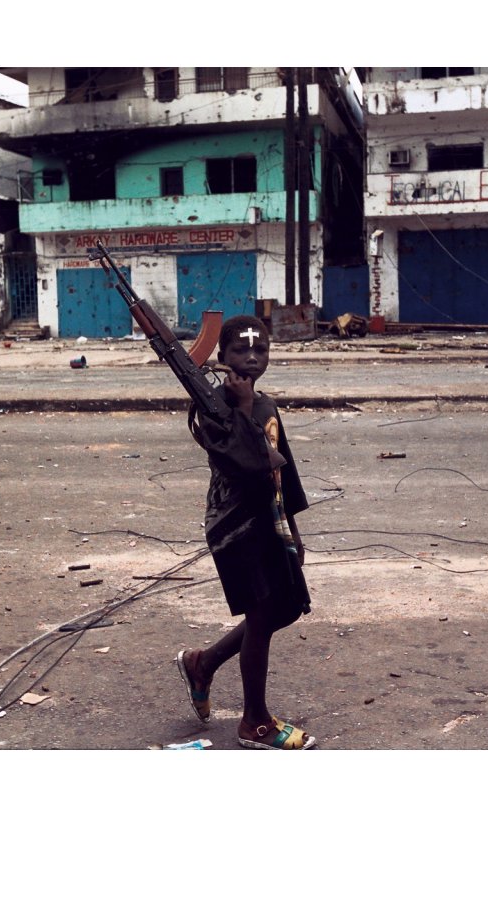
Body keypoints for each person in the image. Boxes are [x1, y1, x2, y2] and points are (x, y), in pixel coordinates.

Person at [176, 314, 316, 749]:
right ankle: (254, 721)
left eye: (261, 350)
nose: (252, 358)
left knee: (286, 608)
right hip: (236, 526)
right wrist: (239, 406)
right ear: (221, 356)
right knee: (260, 615)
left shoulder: (264, 403)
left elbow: (281, 470)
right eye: (240, 350)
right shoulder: (214, 408)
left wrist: (293, 528)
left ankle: (203, 663)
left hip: (269, 520)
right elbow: (246, 462)